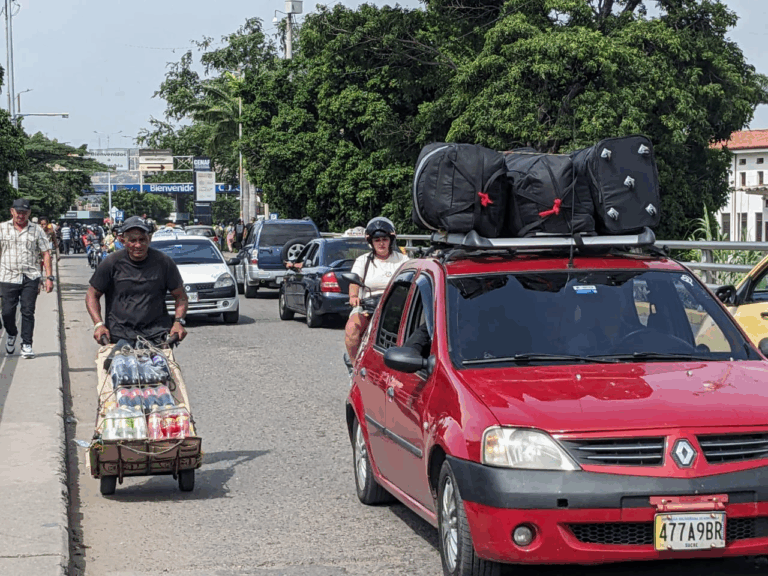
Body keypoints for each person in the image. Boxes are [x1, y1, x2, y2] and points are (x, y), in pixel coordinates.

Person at [85, 215, 188, 347]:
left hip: (157, 337)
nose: (138, 245)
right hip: (119, 337)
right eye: (133, 240)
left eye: (142, 240)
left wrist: (178, 322)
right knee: (108, 366)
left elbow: (181, 296)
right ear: (123, 241)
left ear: (149, 239)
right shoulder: (111, 263)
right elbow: (92, 294)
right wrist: (98, 325)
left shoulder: (164, 262)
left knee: (169, 368)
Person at [344, 217, 409, 364]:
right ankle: (354, 365)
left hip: (396, 307)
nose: (381, 243)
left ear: (391, 240)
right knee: (352, 329)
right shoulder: (363, 260)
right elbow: (355, 282)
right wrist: (354, 296)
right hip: (367, 306)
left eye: (384, 239)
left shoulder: (403, 260)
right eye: (377, 240)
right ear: (371, 242)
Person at [0, 198, 55, 358]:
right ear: (12, 211)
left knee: (28, 311)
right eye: (18, 212)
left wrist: (49, 277)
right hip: (7, 276)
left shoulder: (37, 230)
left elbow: (46, 253)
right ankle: (11, 334)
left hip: (30, 276)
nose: (21, 216)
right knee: (7, 312)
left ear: (29, 213)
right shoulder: (2, 229)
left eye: (24, 212)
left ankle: (27, 344)